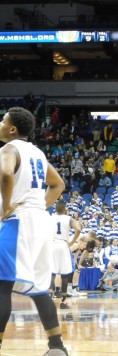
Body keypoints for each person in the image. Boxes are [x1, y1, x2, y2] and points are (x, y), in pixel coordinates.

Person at [0, 107, 67, 355]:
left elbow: (6, 174)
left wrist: (6, 207)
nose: (0, 123)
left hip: (19, 221)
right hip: (41, 221)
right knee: (39, 288)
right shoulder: (38, 153)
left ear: (12, 129)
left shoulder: (8, 149)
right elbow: (59, 184)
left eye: (2, 120)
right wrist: (40, 206)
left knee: (1, 285)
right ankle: (57, 347)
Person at [50, 200, 81, 309]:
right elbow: (78, 229)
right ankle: (63, 299)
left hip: (52, 244)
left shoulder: (50, 217)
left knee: (52, 272)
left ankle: (51, 294)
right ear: (65, 209)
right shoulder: (68, 218)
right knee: (64, 273)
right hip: (63, 245)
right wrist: (72, 242)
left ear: (55, 209)